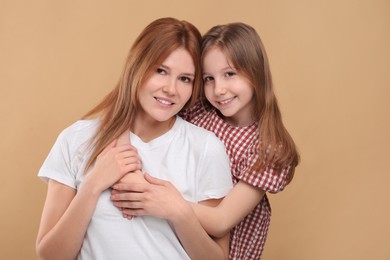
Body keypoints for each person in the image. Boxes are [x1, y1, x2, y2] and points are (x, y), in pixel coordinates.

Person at [35, 17, 233, 260]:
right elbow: (49, 255)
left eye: (185, 79)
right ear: (137, 67)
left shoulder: (205, 148)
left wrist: (178, 212)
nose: (171, 89)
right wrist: (92, 186)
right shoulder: (76, 139)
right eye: (161, 71)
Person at [111, 22, 300, 259]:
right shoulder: (201, 111)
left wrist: (164, 202)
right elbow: (128, 110)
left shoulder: (268, 148)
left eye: (229, 74)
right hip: (175, 244)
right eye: (209, 78)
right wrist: (126, 164)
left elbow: (220, 221)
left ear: (256, 73)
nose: (219, 89)